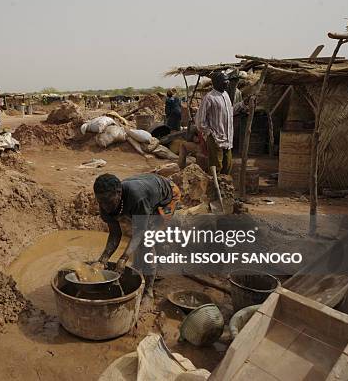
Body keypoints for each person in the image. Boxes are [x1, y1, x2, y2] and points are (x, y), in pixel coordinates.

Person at [93, 173, 182, 308]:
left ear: (119, 193)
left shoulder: (136, 196)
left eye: (108, 202)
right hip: (148, 196)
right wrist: (103, 259)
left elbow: (140, 231)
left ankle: (149, 291)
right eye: (101, 202)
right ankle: (145, 268)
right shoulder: (105, 201)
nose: (105, 206)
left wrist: (124, 257)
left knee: (147, 241)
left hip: (167, 196)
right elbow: (115, 233)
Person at [195, 72, 245, 175]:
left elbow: (230, 111)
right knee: (216, 168)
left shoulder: (226, 95)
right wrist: (210, 134)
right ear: (216, 83)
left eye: (227, 81)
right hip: (216, 140)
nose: (227, 83)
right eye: (225, 81)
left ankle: (224, 189)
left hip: (227, 139)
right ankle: (214, 189)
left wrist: (243, 104)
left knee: (228, 166)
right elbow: (199, 121)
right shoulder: (209, 98)